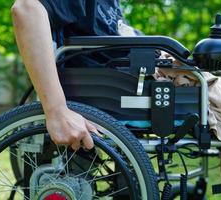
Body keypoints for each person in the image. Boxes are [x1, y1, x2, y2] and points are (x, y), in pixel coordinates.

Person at [11, 0, 136, 150]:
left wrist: (159, 57)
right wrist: (56, 110)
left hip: (124, 86)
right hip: (108, 92)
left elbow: (122, 34)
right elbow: (27, 8)